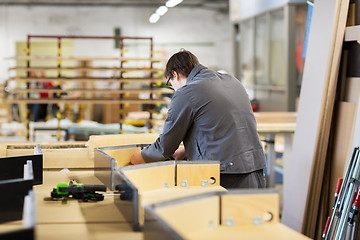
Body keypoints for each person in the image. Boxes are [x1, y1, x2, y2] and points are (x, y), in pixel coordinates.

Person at [130, 49, 266, 189]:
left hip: (225, 175)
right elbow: (222, 126)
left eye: (170, 85)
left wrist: (139, 158)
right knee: (251, 210)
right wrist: (186, 150)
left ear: (175, 75)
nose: (174, 90)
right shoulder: (232, 81)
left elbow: (165, 147)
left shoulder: (187, 91)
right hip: (255, 167)